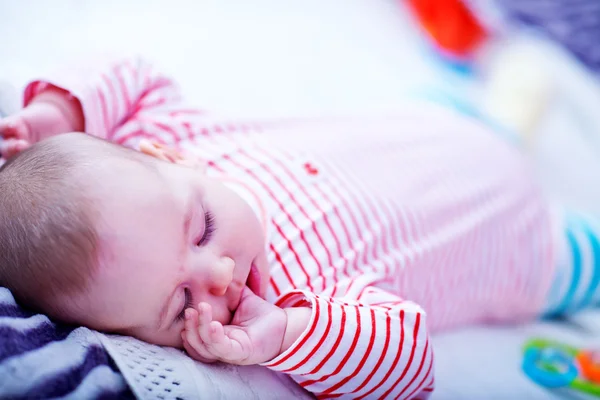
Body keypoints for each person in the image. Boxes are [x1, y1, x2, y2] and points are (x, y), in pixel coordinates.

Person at [0, 56, 597, 400]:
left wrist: (59, 114)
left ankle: (501, 116)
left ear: (167, 157)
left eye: (203, 228)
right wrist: (285, 335)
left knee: (460, 108)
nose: (222, 275)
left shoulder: (179, 139)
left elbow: (135, 78)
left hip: (430, 128)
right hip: (526, 244)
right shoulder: (295, 304)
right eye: (180, 303)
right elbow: (410, 364)